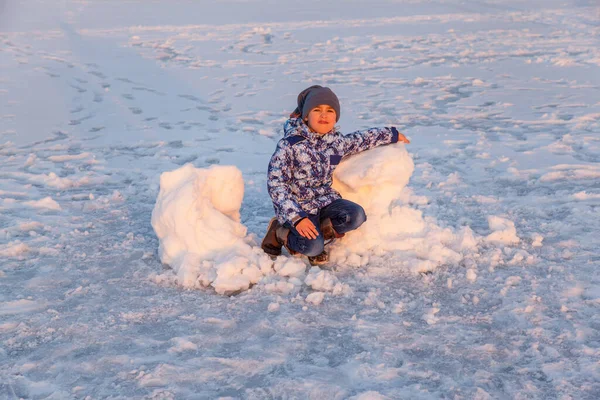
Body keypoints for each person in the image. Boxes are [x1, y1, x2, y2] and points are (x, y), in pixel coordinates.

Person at [261, 85, 410, 265]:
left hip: (325, 201)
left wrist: (392, 134)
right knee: (313, 248)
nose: (324, 115)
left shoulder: (336, 142)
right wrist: (296, 217)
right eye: (317, 110)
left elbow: (361, 140)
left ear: (335, 117)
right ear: (306, 116)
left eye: (329, 110)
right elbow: (276, 184)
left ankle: (319, 229)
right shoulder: (290, 145)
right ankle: (279, 232)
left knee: (356, 215)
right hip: (298, 208)